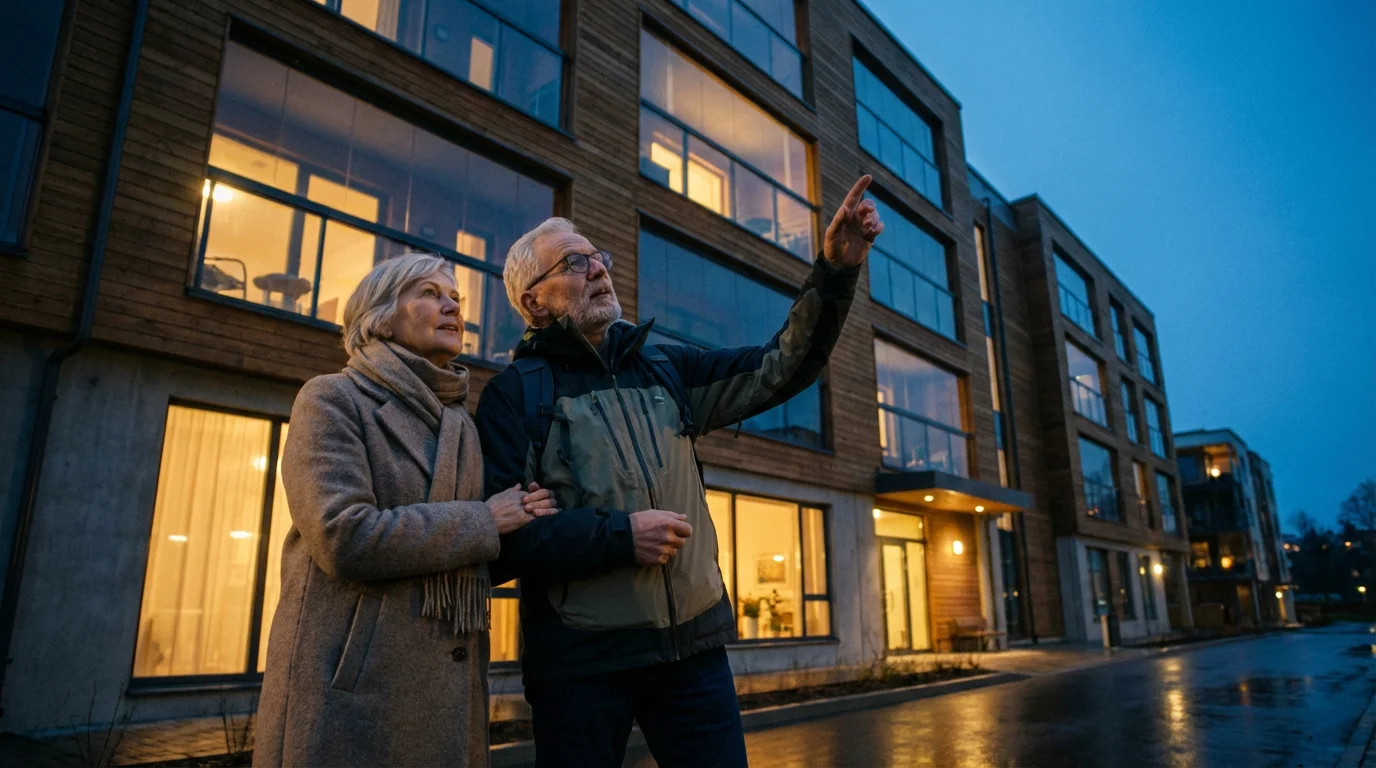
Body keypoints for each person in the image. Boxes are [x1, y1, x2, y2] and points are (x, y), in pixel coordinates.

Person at [474, 176, 883, 767]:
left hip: (694, 656)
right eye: (573, 262)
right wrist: (619, 537)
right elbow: (504, 544)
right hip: (582, 668)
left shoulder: (667, 367)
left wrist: (835, 271)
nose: (597, 270)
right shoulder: (515, 396)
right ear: (533, 301)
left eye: (598, 258)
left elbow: (781, 366)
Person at [254, 253, 556, 767]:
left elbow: (472, 552)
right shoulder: (332, 399)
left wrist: (526, 511)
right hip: (352, 690)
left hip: (447, 684)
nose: (452, 307)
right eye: (429, 294)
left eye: (456, 298)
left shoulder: (461, 422)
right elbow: (344, 538)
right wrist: (486, 519)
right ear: (380, 314)